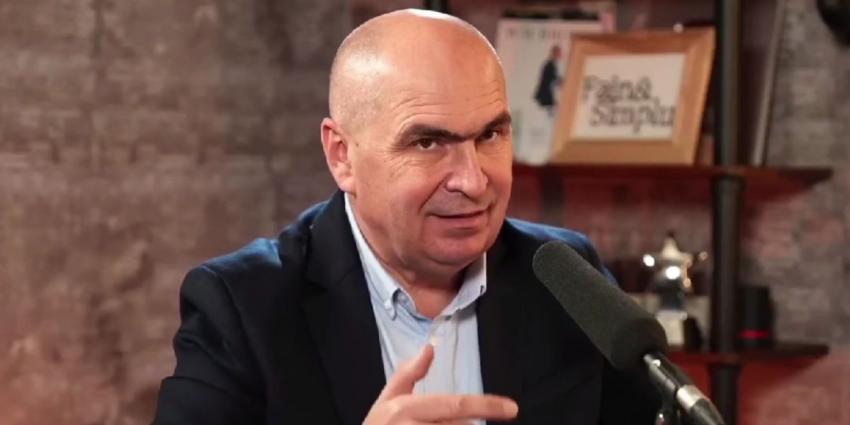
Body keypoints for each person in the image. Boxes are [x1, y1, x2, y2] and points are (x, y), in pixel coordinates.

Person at [153, 9, 659, 425]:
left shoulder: (565, 277)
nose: (473, 181)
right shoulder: (243, 305)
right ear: (342, 156)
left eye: (490, 135)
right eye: (428, 142)